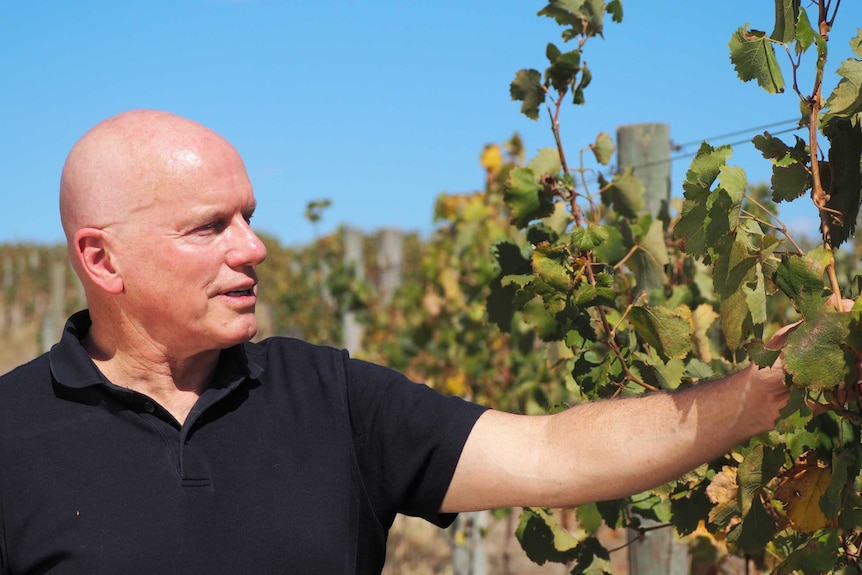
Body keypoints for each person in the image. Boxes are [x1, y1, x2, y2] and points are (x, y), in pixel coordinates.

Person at [0, 110, 790, 574]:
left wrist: (760, 393)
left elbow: (554, 454)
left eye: (248, 214)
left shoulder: (331, 398)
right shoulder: (11, 434)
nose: (253, 248)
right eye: (210, 227)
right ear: (102, 259)